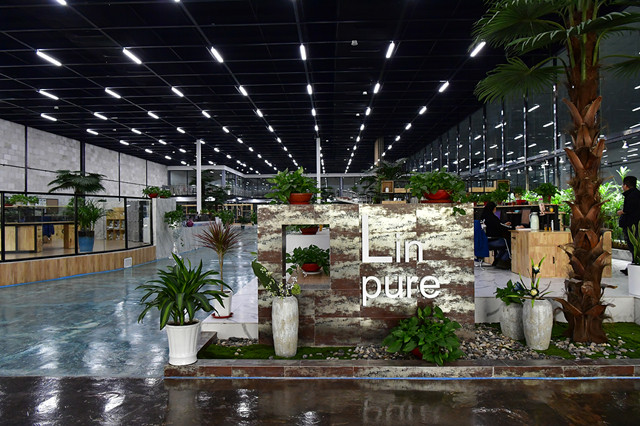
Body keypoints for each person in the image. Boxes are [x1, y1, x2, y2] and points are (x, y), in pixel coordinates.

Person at [480, 201, 522, 269]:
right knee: (511, 242)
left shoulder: (483, 217)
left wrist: (503, 225)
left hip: (486, 240)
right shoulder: (491, 217)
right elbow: (500, 226)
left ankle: (498, 260)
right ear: (494, 208)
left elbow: (498, 225)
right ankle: (503, 260)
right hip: (493, 241)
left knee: (505, 241)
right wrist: (515, 227)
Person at [617, 175, 640, 275]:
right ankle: (633, 265)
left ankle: (635, 266)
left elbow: (629, 209)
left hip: (631, 225)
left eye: (623, 185)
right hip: (635, 224)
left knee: (632, 246)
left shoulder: (631, 195)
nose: (622, 187)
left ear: (626, 185)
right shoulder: (637, 193)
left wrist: (622, 212)